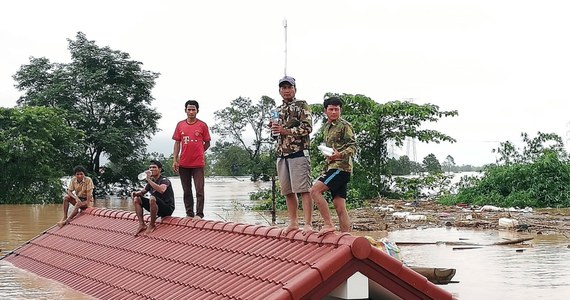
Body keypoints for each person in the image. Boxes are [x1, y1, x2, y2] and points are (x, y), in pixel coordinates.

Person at [271, 76, 314, 234]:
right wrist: (274, 129)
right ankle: (293, 222)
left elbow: (307, 128)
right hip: (282, 154)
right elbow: (274, 134)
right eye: (284, 88)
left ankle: (308, 223)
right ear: (279, 90)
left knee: (304, 189)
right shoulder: (276, 110)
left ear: (295, 89)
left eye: (289, 87)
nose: (287, 90)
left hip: (298, 152)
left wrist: (286, 130)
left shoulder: (302, 105)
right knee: (287, 191)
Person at [310, 96, 357, 235]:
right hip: (332, 166)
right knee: (339, 205)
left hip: (341, 168)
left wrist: (339, 155)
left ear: (340, 110)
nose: (334, 112)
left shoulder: (345, 125)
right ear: (325, 111)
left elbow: (353, 146)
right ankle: (345, 236)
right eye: (331, 109)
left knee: (314, 191)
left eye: (337, 109)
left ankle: (328, 224)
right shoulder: (326, 128)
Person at [172, 100, 211, 219]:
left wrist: (199, 151)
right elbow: (177, 143)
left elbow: (208, 143)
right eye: (189, 109)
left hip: (198, 163)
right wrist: (175, 160)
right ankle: (189, 213)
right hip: (184, 163)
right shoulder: (180, 125)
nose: (191, 112)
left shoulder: (202, 125)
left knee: (199, 190)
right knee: (186, 190)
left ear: (197, 111)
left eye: (193, 109)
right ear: (185, 110)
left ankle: (199, 214)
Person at [131, 160, 175, 235]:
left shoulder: (164, 180)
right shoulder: (151, 182)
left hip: (167, 208)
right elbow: (142, 192)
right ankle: (142, 224)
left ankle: (152, 225)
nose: (151, 169)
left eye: (154, 167)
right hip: (156, 206)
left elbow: (161, 190)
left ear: (160, 169)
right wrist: (135, 193)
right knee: (137, 199)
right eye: (150, 167)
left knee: (152, 198)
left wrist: (148, 180)